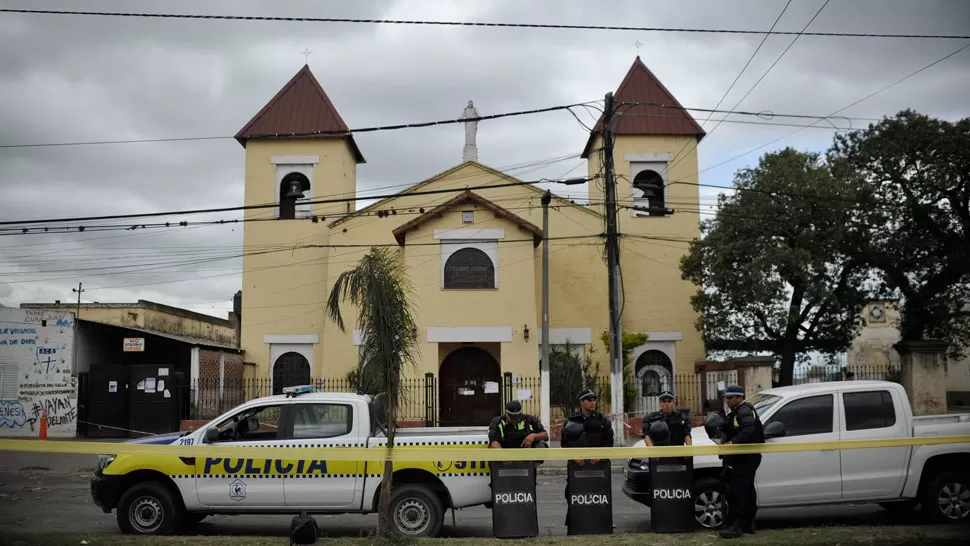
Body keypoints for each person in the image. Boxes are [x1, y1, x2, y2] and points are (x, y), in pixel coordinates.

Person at [561, 389, 614, 531]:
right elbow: (564, 443)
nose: (592, 402)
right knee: (572, 494)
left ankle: (600, 523)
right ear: (582, 402)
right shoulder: (572, 420)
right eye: (589, 400)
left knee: (599, 495)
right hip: (577, 465)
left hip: (599, 465)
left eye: (594, 400)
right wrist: (574, 456)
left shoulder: (602, 420)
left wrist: (601, 454)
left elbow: (609, 441)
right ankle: (575, 523)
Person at [718, 385, 765, 539]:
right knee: (748, 490)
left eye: (730, 398)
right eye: (726, 398)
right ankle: (748, 524)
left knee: (738, 490)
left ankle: (736, 526)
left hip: (747, 457)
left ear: (739, 397)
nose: (728, 401)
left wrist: (731, 443)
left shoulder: (744, 410)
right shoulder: (737, 412)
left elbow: (748, 430)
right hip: (745, 456)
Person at [642, 390, 692, 462]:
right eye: (664, 401)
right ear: (660, 403)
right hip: (658, 458)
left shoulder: (681, 418)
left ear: (673, 403)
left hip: (678, 457)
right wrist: (653, 453)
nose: (667, 404)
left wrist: (688, 452)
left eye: (669, 401)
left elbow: (687, 435)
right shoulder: (651, 418)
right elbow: (646, 436)